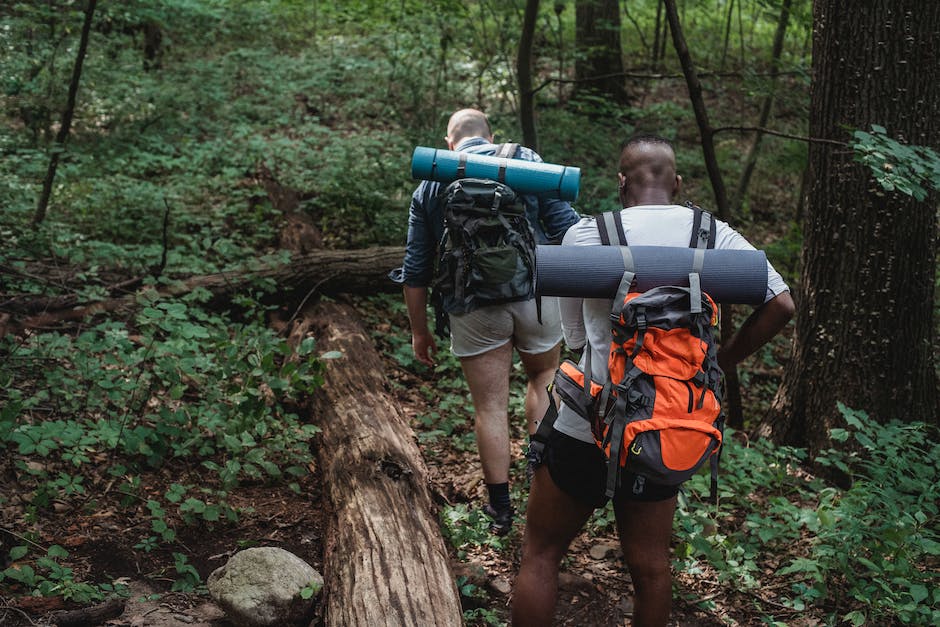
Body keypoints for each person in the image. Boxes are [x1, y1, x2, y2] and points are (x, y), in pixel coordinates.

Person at [512, 134, 795, 625]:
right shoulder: (712, 233)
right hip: (662, 428)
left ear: (622, 183)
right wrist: (720, 362)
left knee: (541, 555)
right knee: (651, 571)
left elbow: (576, 338)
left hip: (587, 425)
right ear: (678, 182)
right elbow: (782, 303)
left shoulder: (588, 234)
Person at [397, 108, 580, 535]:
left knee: (490, 406)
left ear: (449, 143)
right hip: (534, 294)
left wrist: (419, 330)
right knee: (543, 377)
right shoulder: (525, 162)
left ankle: (500, 510)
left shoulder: (433, 179)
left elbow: (416, 265)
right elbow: (566, 228)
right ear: (493, 135)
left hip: (471, 302)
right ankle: (544, 487)